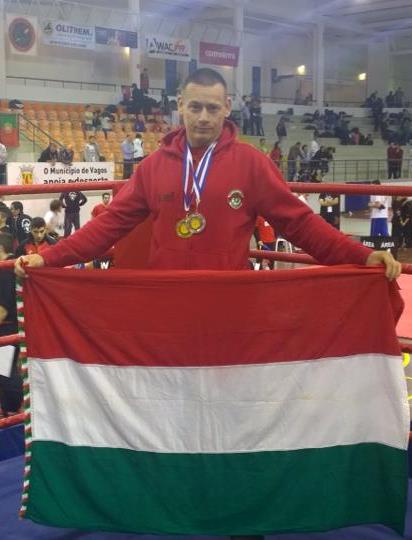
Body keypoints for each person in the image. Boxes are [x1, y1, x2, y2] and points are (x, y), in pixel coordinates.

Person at [16, 67, 400, 284]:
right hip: (167, 301)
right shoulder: (153, 167)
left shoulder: (252, 164)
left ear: (227, 107)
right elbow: (108, 226)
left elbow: (300, 224)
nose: (203, 117)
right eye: (195, 107)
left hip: (228, 301)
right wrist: (49, 259)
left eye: (213, 108)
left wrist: (362, 255)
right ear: (180, 105)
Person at [0, 233, 22, 417]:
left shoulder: (5, 271)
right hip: (11, 326)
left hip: (6, 328)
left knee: (4, 371)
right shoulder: (11, 266)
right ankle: (10, 408)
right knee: (5, 370)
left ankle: (13, 409)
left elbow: (2, 311)